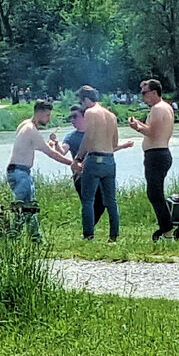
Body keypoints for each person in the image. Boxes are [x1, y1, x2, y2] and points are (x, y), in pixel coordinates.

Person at [51, 104, 131, 229]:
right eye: (70, 117)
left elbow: (106, 149)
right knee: (90, 201)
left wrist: (123, 146)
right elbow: (62, 151)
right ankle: (89, 229)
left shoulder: (95, 132)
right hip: (80, 175)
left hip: (95, 167)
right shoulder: (71, 137)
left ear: (85, 117)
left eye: (75, 116)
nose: (72, 120)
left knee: (102, 202)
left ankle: (89, 228)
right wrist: (56, 143)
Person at [6, 100, 75, 240]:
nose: (48, 119)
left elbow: (31, 145)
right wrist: (72, 164)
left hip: (19, 171)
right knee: (23, 208)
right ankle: (14, 238)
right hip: (20, 173)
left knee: (29, 206)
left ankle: (34, 237)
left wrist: (47, 144)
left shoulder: (24, 125)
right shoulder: (31, 130)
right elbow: (52, 154)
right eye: (47, 115)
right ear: (40, 113)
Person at [129, 78, 176, 241]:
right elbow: (156, 130)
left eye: (144, 93)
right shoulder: (166, 107)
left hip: (156, 154)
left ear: (154, 92)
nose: (143, 97)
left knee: (154, 193)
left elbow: (153, 133)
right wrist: (141, 125)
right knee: (155, 193)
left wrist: (137, 127)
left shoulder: (157, 108)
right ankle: (166, 227)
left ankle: (167, 229)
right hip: (161, 152)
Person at [71, 85, 121, 241]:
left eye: (81, 102)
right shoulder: (111, 115)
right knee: (111, 200)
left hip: (94, 159)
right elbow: (115, 142)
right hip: (109, 159)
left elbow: (88, 137)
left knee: (88, 199)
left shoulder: (91, 113)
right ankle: (114, 236)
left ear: (86, 99)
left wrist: (78, 158)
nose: (82, 105)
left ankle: (88, 235)